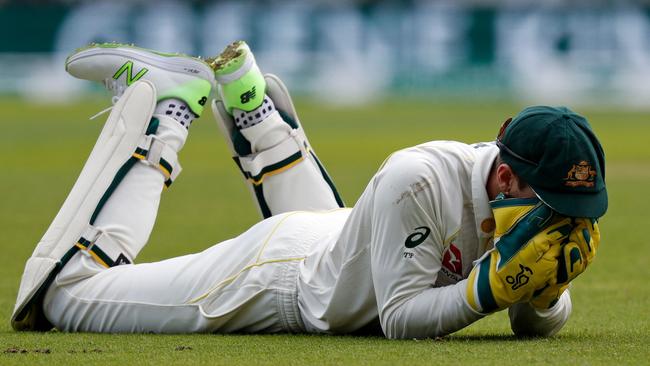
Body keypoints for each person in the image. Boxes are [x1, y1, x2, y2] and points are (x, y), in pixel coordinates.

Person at [11, 41, 606, 338]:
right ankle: (163, 111)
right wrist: (488, 289)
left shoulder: (524, 200)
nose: (561, 221)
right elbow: (397, 319)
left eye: (574, 211)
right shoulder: (420, 177)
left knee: (348, 254)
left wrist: (548, 293)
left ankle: (253, 108)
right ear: (506, 176)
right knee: (61, 300)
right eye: (553, 205)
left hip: (343, 245)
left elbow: (530, 321)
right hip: (280, 277)